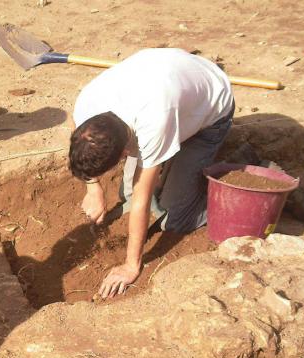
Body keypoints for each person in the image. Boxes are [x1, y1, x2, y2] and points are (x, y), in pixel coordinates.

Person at [69, 48, 235, 299]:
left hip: (210, 112)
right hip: (175, 84)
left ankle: (243, 171)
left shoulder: (154, 120)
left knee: (175, 218)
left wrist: (131, 266)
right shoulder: (87, 105)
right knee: (126, 196)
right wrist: (93, 187)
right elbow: (72, 126)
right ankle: (178, 164)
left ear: (125, 151)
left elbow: (141, 197)